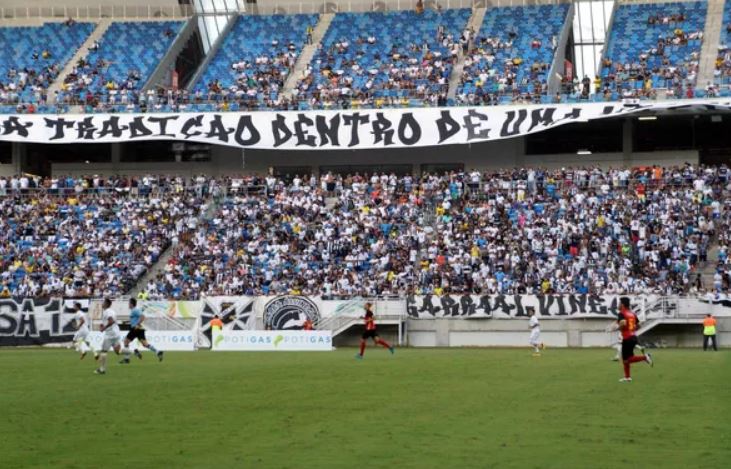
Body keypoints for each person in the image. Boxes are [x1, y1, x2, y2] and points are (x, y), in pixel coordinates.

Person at [617, 297, 653, 382]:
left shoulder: (621, 313)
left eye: (619, 303)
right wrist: (631, 330)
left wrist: (618, 328)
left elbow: (623, 323)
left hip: (627, 338)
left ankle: (645, 357)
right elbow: (639, 325)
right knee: (626, 359)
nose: (618, 305)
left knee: (627, 359)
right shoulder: (632, 313)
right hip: (633, 337)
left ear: (622, 304)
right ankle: (627, 377)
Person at [120, 298, 163, 364]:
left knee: (126, 342)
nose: (128, 304)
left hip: (135, 329)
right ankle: (158, 352)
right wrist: (128, 322)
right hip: (139, 329)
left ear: (131, 304)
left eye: (129, 303)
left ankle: (128, 358)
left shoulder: (135, 310)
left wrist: (137, 324)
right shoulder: (134, 310)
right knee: (145, 344)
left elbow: (143, 317)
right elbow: (136, 318)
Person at [95, 298, 123, 375]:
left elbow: (111, 321)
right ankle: (132, 352)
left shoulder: (107, 312)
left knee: (103, 351)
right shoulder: (111, 311)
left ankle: (102, 369)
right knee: (117, 351)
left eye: (103, 302)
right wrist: (102, 325)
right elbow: (111, 321)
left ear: (106, 304)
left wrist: (104, 327)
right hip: (116, 333)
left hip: (110, 334)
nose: (102, 304)